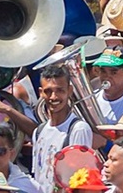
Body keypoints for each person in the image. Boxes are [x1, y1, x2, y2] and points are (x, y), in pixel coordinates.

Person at [31, 65, 94, 193]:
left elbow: (80, 178)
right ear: (40, 93)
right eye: (48, 91)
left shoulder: (78, 129)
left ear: (69, 91)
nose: (53, 97)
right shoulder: (38, 132)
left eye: (60, 90)